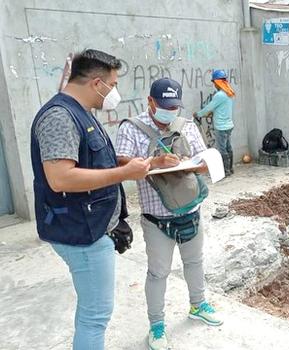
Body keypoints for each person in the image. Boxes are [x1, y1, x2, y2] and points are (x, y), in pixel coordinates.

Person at [30, 49, 151, 350]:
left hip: (91, 225)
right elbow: (60, 178)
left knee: (92, 313)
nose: (115, 92)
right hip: (81, 232)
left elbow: (94, 160)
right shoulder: (60, 117)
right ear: (97, 83)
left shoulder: (81, 112)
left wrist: (138, 163)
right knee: (94, 317)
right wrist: (125, 175)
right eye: (114, 84)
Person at [116, 78, 223, 350]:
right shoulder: (132, 128)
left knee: (195, 261)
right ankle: (157, 325)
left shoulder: (186, 125)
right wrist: (155, 162)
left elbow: (203, 156)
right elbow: (121, 161)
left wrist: (200, 166)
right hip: (157, 218)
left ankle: (198, 305)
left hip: (191, 209)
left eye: (174, 107)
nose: (170, 112)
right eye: (164, 106)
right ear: (150, 102)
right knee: (158, 273)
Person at [193, 69, 235, 176]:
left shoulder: (220, 95)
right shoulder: (229, 92)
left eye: (214, 82)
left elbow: (208, 108)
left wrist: (198, 114)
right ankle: (230, 168)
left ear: (217, 82)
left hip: (221, 127)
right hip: (229, 125)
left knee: (222, 149)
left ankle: (226, 171)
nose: (214, 85)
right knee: (228, 147)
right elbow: (221, 108)